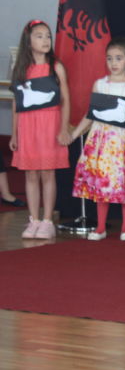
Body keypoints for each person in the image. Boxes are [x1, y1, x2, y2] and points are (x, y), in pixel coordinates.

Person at [69, 37, 125, 240]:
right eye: (110, 58)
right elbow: (90, 115)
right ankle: (100, 227)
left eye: (119, 58)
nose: (114, 63)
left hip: (124, 143)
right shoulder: (100, 85)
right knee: (102, 182)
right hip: (102, 143)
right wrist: (74, 134)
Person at [9, 19, 71, 240]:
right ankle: (34, 219)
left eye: (48, 36)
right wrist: (14, 133)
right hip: (28, 125)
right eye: (39, 36)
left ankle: (47, 221)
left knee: (47, 172)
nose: (45, 40)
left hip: (49, 124)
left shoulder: (56, 67)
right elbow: (17, 102)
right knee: (31, 173)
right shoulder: (21, 69)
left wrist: (64, 128)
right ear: (28, 41)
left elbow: (65, 99)